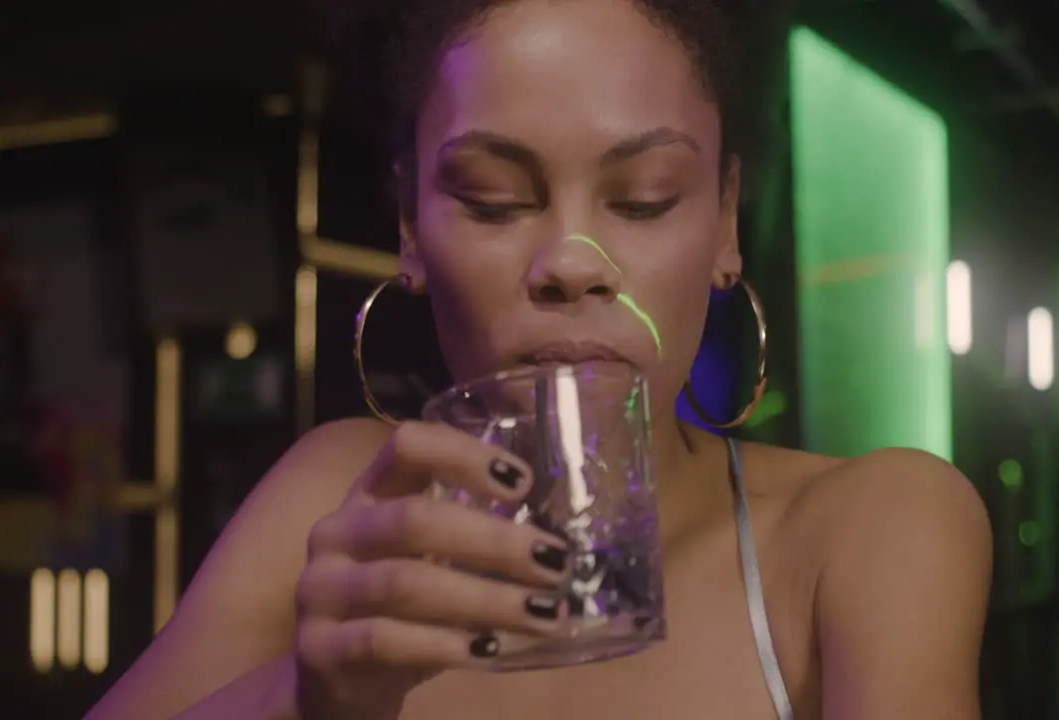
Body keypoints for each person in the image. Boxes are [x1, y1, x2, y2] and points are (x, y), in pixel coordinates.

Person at [85, 0, 991, 718]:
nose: (568, 263)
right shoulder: (335, 501)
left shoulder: (866, 529)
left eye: (643, 200)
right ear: (409, 228)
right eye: (493, 200)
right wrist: (297, 700)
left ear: (724, 221)